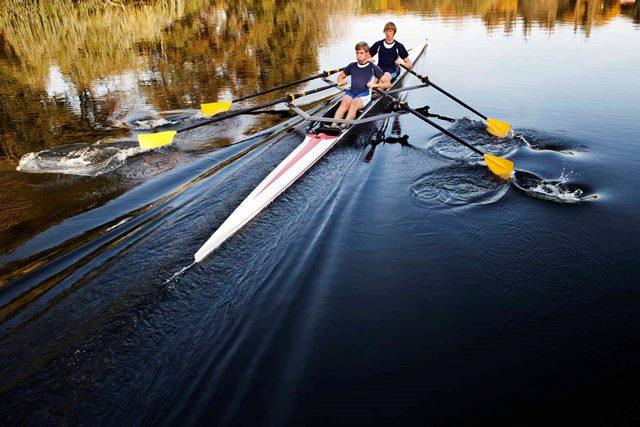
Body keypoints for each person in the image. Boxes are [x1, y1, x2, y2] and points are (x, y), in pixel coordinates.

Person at [333, 42, 391, 124]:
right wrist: (340, 81)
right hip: (352, 92)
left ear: (367, 54)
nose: (359, 55)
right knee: (344, 102)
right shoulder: (352, 66)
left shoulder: (373, 67)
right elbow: (341, 76)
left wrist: (374, 85)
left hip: (365, 94)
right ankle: (333, 124)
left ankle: (344, 126)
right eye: (357, 53)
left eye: (361, 53)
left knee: (354, 104)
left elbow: (388, 84)